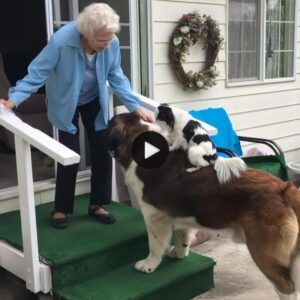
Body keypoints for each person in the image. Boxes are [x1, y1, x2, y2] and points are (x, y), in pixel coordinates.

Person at [0, 3, 153, 229]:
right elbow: (37, 73)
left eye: (109, 39)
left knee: (102, 150)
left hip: (94, 99)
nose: (106, 44)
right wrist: (14, 98)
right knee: (68, 153)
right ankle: (61, 208)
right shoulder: (61, 41)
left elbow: (117, 76)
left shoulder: (110, 42)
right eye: (101, 40)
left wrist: (135, 106)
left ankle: (97, 204)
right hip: (66, 101)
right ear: (86, 32)